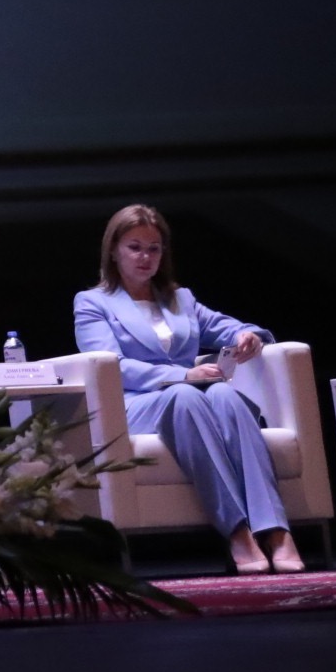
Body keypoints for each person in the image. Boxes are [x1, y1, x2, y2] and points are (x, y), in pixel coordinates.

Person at [74, 202, 299, 575]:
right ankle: (237, 532)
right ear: (113, 251)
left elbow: (228, 327)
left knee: (224, 393)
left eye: (153, 248)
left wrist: (247, 335)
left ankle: (276, 530)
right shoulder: (92, 303)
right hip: (134, 404)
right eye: (135, 247)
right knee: (185, 394)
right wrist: (182, 375)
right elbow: (114, 365)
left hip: (189, 397)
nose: (145, 257)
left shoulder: (181, 299)